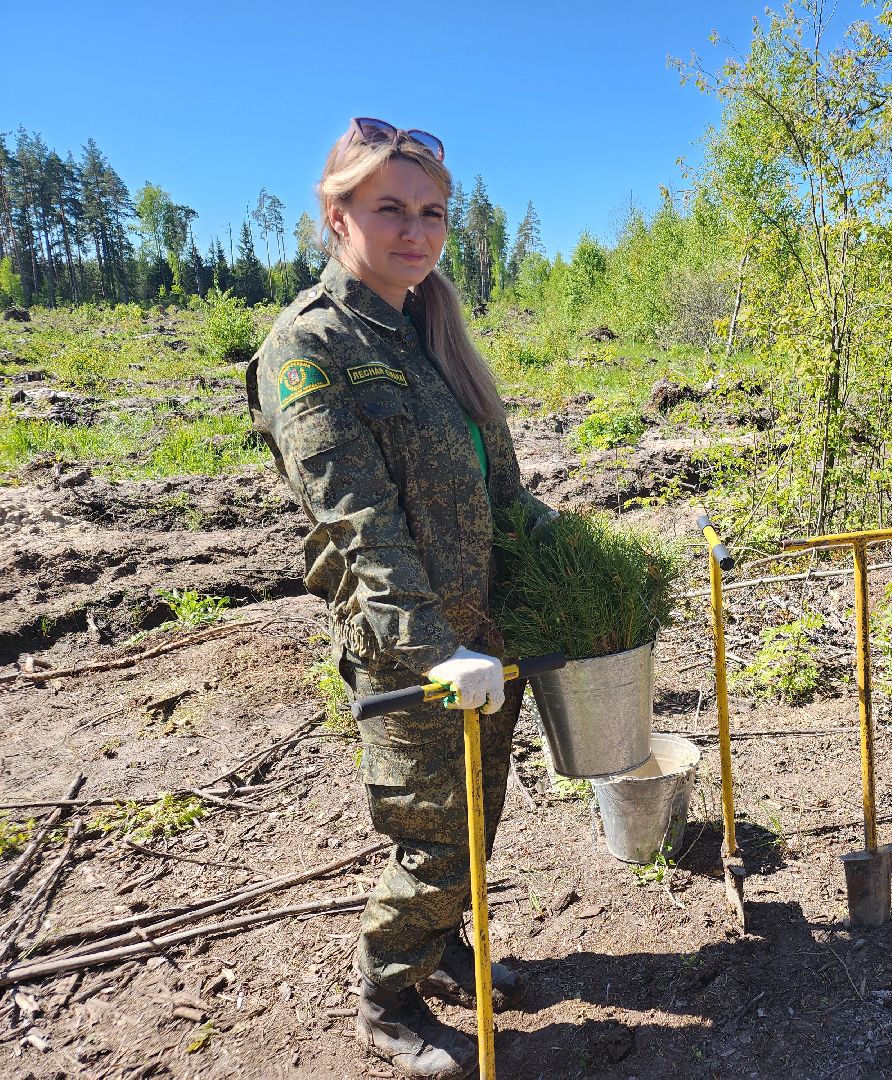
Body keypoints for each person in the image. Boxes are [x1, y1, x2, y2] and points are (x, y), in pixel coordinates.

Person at [247, 117, 550, 1080]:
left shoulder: (434, 333)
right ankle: (385, 991)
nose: (415, 231)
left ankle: (438, 947)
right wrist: (432, 650)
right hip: (411, 653)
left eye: (432, 213)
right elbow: (356, 520)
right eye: (390, 209)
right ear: (338, 216)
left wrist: (575, 551)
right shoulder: (310, 348)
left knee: (476, 823)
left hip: (484, 632)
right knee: (431, 840)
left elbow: (501, 490)